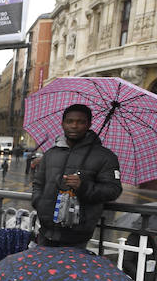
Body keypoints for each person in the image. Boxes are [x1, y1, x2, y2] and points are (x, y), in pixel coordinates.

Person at [32, 103, 122, 248]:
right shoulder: (51, 153)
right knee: (42, 270)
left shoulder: (105, 157)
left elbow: (113, 190)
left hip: (77, 237)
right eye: (70, 121)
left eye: (81, 122)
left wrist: (84, 186)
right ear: (62, 124)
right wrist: (39, 203)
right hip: (46, 231)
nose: (74, 126)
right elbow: (38, 183)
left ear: (89, 125)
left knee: (69, 271)